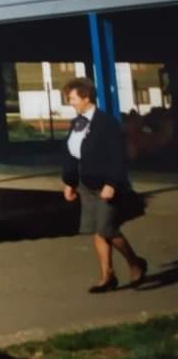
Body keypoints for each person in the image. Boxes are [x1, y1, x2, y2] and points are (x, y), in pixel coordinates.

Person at [60, 77, 147, 294]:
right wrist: (70, 182)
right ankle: (107, 276)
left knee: (107, 228)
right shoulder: (76, 123)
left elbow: (117, 156)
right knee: (96, 231)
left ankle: (135, 262)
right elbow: (72, 154)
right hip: (85, 183)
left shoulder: (106, 123)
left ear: (86, 97)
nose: (70, 103)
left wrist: (111, 183)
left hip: (105, 184)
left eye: (72, 98)